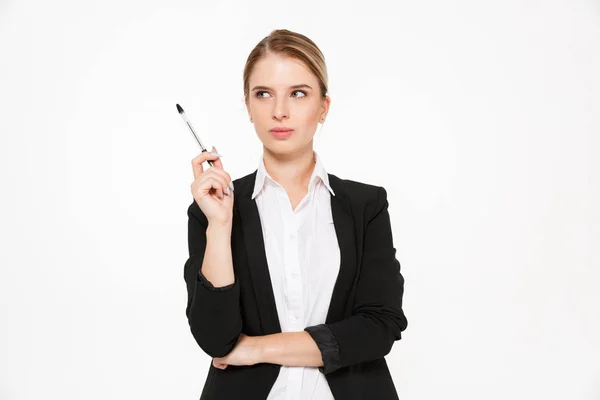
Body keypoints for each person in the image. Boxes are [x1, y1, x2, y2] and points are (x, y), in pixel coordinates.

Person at [183, 28, 408, 400]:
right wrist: (220, 226)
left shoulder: (365, 206)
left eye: (298, 94)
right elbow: (215, 339)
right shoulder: (213, 206)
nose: (279, 111)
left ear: (323, 107)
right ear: (249, 106)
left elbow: (378, 327)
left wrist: (255, 349)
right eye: (263, 94)